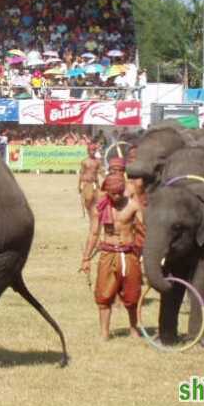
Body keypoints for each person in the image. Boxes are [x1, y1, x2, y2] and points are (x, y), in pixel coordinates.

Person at [80, 173, 145, 340]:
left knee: (132, 294)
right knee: (104, 295)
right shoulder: (99, 208)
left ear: (122, 190)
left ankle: (133, 328)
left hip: (129, 254)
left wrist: (144, 254)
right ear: (106, 191)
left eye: (118, 193)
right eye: (112, 193)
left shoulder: (133, 206)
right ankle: (104, 333)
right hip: (108, 254)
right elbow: (94, 234)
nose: (115, 196)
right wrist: (86, 258)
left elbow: (143, 232)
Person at [78, 143, 102, 224]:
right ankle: (89, 212)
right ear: (88, 151)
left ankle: (95, 214)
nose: (92, 152)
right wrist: (79, 185)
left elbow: (100, 172)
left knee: (99, 200)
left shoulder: (98, 162)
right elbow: (81, 173)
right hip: (86, 183)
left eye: (94, 150)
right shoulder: (84, 161)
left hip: (95, 183)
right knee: (88, 199)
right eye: (91, 150)